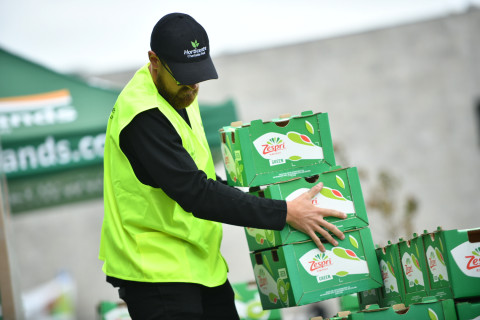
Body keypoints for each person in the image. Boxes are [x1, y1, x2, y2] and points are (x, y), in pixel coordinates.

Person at [99, 12, 346, 320]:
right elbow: (196, 192)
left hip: (200, 265)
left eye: (197, 77)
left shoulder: (179, 95)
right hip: (154, 272)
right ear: (154, 61)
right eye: (183, 79)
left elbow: (205, 177)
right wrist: (284, 213)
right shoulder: (142, 116)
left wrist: (272, 198)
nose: (191, 88)